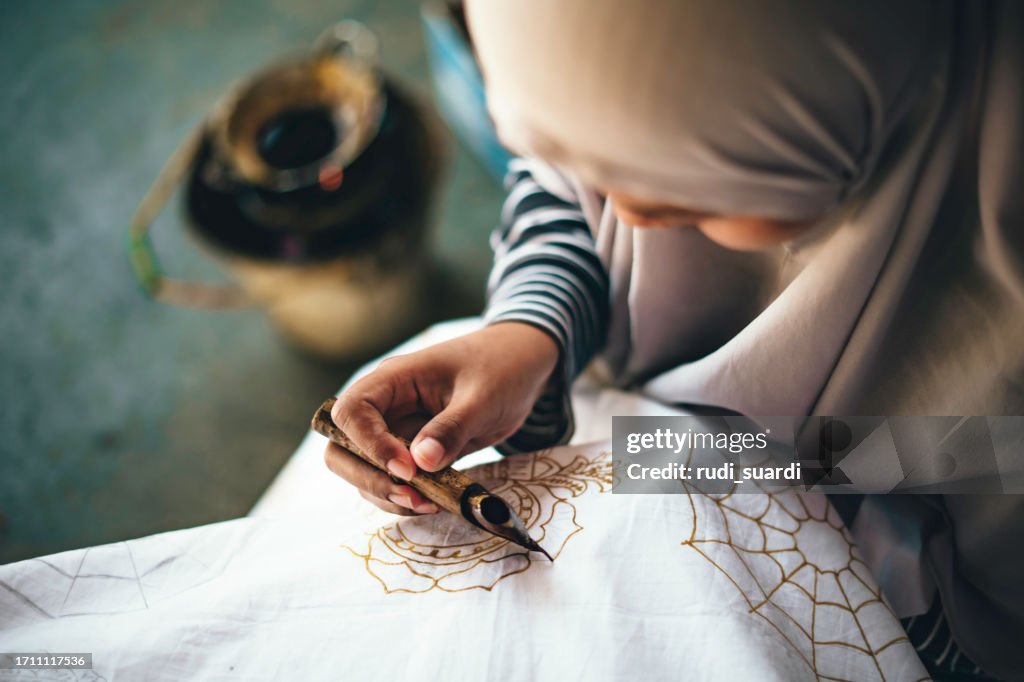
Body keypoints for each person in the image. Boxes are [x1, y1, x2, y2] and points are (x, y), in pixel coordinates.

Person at [323, 1, 1024, 678]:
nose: (626, 217)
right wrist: (526, 331)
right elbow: (571, 187)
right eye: (602, 174)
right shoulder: (663, 134)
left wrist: (679, 458)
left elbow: (933, 480)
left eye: (683, 200)